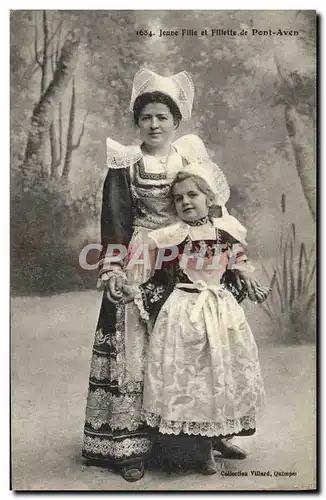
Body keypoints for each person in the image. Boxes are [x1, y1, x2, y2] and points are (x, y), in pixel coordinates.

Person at [82, 69, 239, 482]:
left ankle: (203, 435)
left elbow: (214, 209)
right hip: (142, 256)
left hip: (186, 260)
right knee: (135, 344)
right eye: (146, 117)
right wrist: (114, 268)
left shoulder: (190, 160)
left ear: (176, 122)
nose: (154, 125)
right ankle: (128, 444)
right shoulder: (126, 163)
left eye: (162, 118)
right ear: (138, 122)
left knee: (193, 345)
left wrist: (227, 261)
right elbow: (114, 220)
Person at [122, 161, 269, 474]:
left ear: (210, 198)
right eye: (178, 198)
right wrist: (130, 285)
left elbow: (237, 262)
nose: (185, 202)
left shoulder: (226, 231)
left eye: (192, 194)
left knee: (222, 372)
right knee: (195, 378)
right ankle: (201, 450)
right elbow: (151, 266)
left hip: (219, 310)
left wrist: (248, 278)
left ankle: (221, 438)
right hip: (185, 312)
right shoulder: (174, 235)